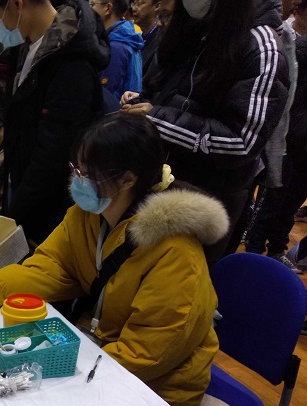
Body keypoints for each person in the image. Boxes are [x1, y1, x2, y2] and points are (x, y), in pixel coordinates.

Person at [0, 114, 228, 406]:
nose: (78, 181)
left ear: (127, 180)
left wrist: (68, 370)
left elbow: (149, 352)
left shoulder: (176, 251)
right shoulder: (89, 216)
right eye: (76, 169)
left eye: (89, 174)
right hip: (100, 353)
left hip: (157, 389)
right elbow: (49, 267)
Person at [122, 0, 288, 262]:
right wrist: (139, 103)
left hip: (205, 201)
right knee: (127, 269)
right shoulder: (190, 27)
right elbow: (160, 87)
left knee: (174, 278)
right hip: (153, 178)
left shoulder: (261, 46)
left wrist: (157, 119)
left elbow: (242, 141)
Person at [0, 0, 110, 247]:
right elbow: (18, 126)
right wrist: (4, 174)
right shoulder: (24, 48)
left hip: (50, 208)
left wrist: (16, 213)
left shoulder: (71, 61)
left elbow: (53, 154)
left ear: (17, 4)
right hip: (22, 190)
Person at [246, 29, 307, 265]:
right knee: (270, 201)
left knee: (293, 202)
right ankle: (253, 253)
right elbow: (284, 91)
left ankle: (277, 249)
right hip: (289, 139)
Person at [91, 0, 144, 102]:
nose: (90, 10)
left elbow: (104, 94)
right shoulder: (125, 36)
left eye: (92, 5)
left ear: (108, 8)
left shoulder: (116, 45)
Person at [131, 0, 161, 76]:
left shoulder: (160, 41)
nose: (134, 9)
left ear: (157, 6)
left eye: (140, 4)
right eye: (134, 4)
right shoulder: (136, 38)